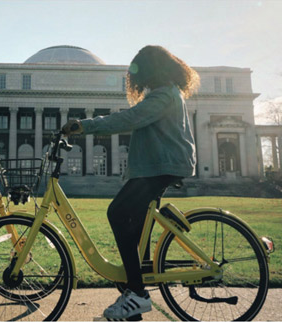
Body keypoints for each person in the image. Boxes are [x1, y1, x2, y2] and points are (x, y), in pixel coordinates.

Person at [62, 45, 199, 320]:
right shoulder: (167, 92)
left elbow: (130, 118)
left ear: (151, 70)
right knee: (136, 237)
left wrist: (85, 126)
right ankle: (132, 302)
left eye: (141, 72)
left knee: (117, 212)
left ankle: (137, 294)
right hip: (156, 166)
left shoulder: (163, 95)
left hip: (160, 167)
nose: (139, 79)